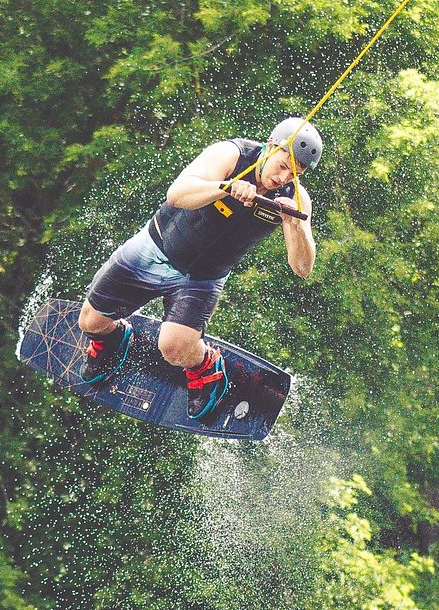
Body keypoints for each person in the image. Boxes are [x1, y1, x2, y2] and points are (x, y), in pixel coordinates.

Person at [77, 117, 322, 420]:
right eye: (282, 165)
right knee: (90, 323)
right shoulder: (230, 155)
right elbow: (178, 194)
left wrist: (295, 227)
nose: (283, 177)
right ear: (270, 146)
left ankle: (207, 366)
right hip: (153, 249)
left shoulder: (295, 199)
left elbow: (302, 268)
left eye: (294, 174)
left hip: (202, 278)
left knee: (174, 349)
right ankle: (113, 340)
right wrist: (225, 188)